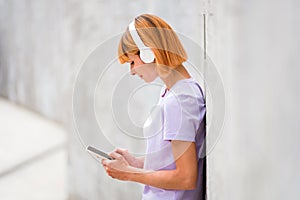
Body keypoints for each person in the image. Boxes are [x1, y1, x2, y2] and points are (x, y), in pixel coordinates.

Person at [102, 14, 206, 200]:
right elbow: (171, 162)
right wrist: (135, 163)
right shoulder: (174, 91)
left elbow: (185, 178)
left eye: (132, 62)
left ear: (149, 52)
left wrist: (129, 173)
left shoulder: (180, 101)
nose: (132, 71)